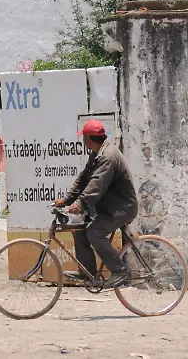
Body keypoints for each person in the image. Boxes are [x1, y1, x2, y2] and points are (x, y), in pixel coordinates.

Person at [53, 119, 138, 289]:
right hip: (109, 208)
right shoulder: (97, 153)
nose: (83, 140)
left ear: (89, 138)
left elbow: (96, 184)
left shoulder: (108, 157)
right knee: (79, 230)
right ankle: (88, 273)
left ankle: (120, 270)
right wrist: (67, 199)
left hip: (122, 208)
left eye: (83, 137)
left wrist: (80, 203)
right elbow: (84, 179)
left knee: (94, 232)